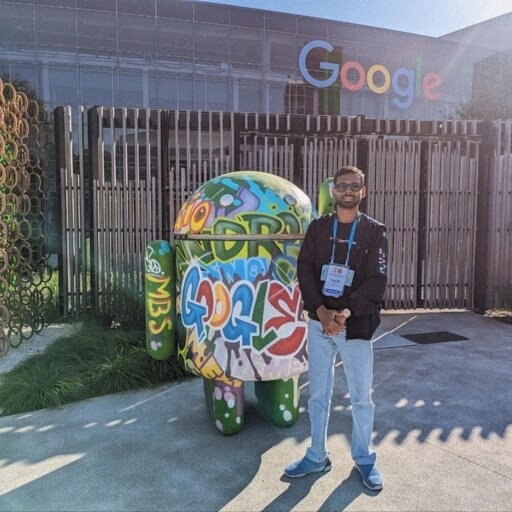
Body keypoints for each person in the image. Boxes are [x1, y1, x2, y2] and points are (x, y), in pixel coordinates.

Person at [284, 165, 388, 491]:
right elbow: (305, 269)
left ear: (363, 191)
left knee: (361, 397)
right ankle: (316, 455)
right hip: (319, 323)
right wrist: (320, 311)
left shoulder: (374, 232)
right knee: (317, 394)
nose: (347, 190)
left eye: (354, 185)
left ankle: (364, 458)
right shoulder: (318, 228)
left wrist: (343, 313)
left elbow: (377, 280)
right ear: (333, 191)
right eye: (341, 185)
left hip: (354, 324)